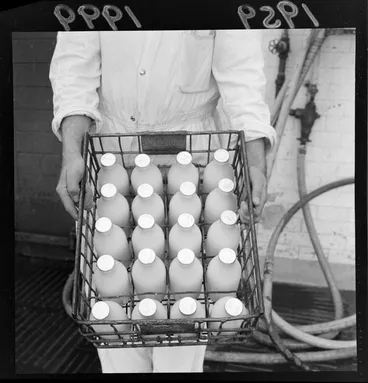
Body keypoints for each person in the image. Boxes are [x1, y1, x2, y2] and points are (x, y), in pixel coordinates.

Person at [49, 29, 276, 374]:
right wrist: (71, 151)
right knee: (115, 330)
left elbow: (242, 77)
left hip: (197, 161)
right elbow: (74, 69)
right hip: (112, 157)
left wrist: (254, 164)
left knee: (187, 328)